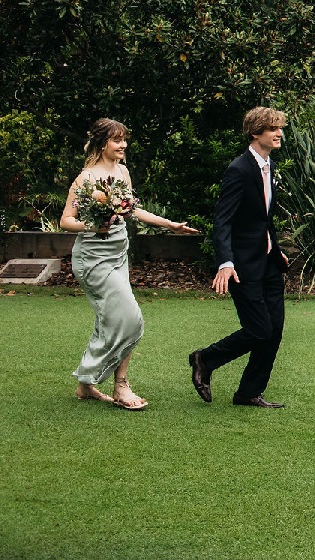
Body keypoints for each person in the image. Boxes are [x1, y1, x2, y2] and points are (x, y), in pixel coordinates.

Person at [60, 118, 199, 410]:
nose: (123, 145)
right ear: (102, 143)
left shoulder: (122, 172)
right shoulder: (85, 178)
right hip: (93, 258)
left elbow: (132, 210)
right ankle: (121, 386)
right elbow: (66, 221)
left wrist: (169, 224)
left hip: (118, 254)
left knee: (108, 320)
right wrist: (93, 226)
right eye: (117, 140)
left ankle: (86, 384)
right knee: (131, 318)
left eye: (124, 139)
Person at [189, 107, 293, 409]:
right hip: (242, 266)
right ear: (255, 132)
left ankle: (249, 392)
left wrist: (276, 248)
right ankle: (205, 359)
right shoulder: (239, 169)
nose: (279, 133)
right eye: (272, 128)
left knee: (273, 331)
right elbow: (223, 220)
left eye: (280, 128)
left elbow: (263, 217)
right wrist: (225, 262)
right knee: (259, 330)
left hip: (269, 262)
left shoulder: (270, 166)